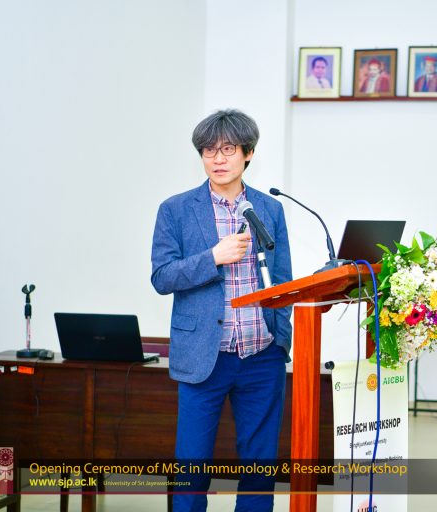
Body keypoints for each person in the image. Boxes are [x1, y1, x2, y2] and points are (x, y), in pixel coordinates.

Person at [151, 109, 292, 512]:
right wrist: (213, 256)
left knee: (259, 468)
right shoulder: (176, 209)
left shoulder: (269, 209)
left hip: (261, 354)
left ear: (248, 153)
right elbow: (162, 276)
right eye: (209, 150)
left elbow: (283, 279)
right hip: (204, 357)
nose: (218, 159)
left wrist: (280, 339)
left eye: (228, 149)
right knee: (192, 468)